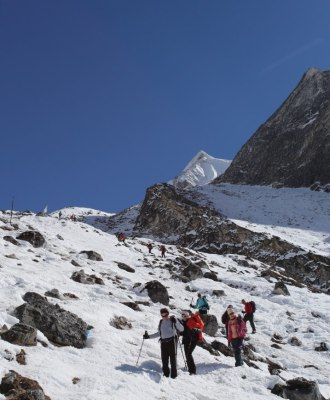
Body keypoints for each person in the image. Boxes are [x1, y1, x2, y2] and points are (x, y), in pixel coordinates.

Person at [143, 308, 183, 379]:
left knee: (173, 360)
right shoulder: (161, 322)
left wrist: (176, 321)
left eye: (166, 315)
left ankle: (174, 376)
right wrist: (148, 336)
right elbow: (159, 333)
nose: (164, 317)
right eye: (163, 315)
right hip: (163, 342)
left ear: (168, 314)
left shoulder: (172, 320)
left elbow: (182, 329)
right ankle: (166, 375)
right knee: (164, 359)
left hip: (172, 341)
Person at [180, 310, 204, 375]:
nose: (184, 316)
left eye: (185, 315)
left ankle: (192, 371)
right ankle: (190, 369)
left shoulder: (190, 321)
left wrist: (196, 330)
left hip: (192, 340)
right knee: (187, 354)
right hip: (187, 340)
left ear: (188, 316)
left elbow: (199, 327)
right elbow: (185, 331)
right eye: (182, 315)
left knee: (188, 354)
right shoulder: (184, 322)